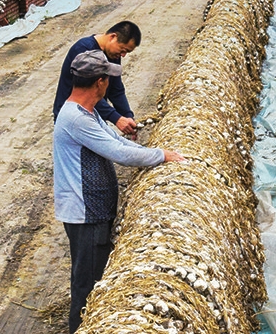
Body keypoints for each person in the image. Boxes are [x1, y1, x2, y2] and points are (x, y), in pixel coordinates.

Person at [53, 50, 185, 333]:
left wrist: (155, 152)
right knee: (87, 284)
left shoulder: (85, 112)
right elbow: (117, 153)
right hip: (85, 213)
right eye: (108, 80)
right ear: (100, 82)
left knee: (93, 276)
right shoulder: (76, 119)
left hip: (92, 211)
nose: (110, 84)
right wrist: (161, 156)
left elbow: (118, 141)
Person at [53, 21, 142, 136]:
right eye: (123, 49)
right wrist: (116, 118)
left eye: (127, 52)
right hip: (75, 118)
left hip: (93, 115)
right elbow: (88, 93)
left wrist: (127, 117)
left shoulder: (112, 54)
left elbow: (116, 89)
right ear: (113, 37)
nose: (123, 55)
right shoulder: (84, 51)